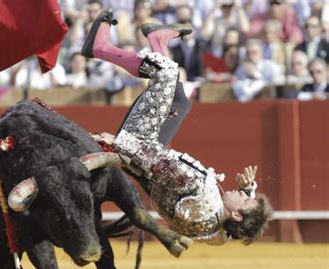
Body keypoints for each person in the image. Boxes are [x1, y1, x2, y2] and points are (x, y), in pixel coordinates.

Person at [82, 9, 273, 247]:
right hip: (148, 168)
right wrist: (248, 190)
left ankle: (101, 48)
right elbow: (240, 227)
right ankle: (157, 40)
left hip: (140, 144)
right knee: (181, 103)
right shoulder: (220, 234)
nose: (242, 193)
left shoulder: (200, 191)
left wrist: (119, 142)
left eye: (244, 199)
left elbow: (158, 163)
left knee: (167, 73)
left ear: (236, 214)